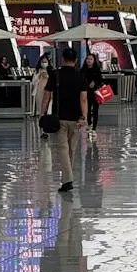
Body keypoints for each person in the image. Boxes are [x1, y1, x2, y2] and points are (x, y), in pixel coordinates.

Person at [41, 47, 87, 194]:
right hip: (75, 119)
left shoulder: (55, 75)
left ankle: (67, 180)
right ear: (76, 60)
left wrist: (42, 114)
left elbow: (47, 96)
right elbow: (84, 99)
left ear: (62, 59)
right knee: (71, 149)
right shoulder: (81, 76)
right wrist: (83, 117)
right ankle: (67, 179)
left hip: (58, 118)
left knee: (63, 150)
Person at [80, 52, 104, 134]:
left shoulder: (97, 70)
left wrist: (95, 81)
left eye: (90, 59)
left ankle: (94, 127)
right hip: (85, 92)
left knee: (95, 110)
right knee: (87, 109)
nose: (88, 60)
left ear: (94, 60)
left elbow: (100, 80)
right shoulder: (83, 70)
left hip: (95, 92)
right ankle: (89, 124)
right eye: (87, 59)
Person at [33, 54, 54, 138]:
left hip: (48, 92)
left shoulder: (51, 71)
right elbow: (34, 81)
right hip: (40, 91)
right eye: (42, 62)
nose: (44, 63)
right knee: (40, 110)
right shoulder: (38, 71)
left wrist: (47, 76)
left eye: (45, 62)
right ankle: (42, 130)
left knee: (48, 111)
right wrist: (39, 75)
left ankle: (47, 129)